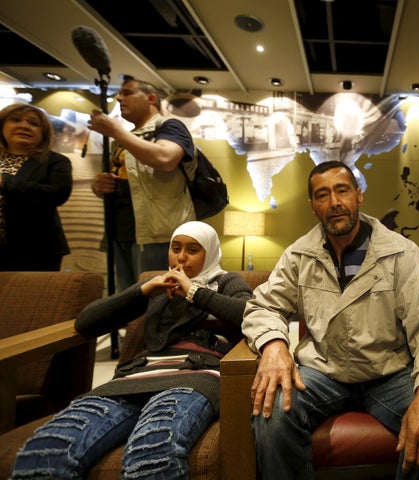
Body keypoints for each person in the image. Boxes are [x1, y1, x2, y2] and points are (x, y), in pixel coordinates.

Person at [242, 160, 419, 479]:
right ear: (313, 207)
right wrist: (275, 345)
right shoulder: (298, 256)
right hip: (324, 371)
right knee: (272, 412)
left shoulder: (401, 253)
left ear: (359, 196)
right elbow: (263, 306)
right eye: (322, 195)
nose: (334, 202)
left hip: (389, 372)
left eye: (342, 190)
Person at [10, 221, 252, 479]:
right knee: (45, 451)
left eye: (193, 250)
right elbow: (86, 322)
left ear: (210, 252)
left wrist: (194, 291)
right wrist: (142, 290)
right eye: (175, 248)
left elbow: (249, 313)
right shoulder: (158, 287)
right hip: (131, 380)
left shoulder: (225, 281)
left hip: (193, 378)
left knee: (152, 452)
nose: (181, 257)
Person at [88, 75, 195, 291]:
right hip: (121, 231)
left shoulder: (170, 126)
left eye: (127, 92)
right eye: (119, 94)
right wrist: (98, 185)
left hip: (158, 234)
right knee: (128, 300)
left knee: (157, 300)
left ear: (151, 98)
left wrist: (115, 131)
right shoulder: (127, 138)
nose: (120, 98)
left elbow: (166, 159)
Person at [0, 103, 72, 271]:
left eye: (33, 123)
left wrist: (6, 182)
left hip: (33, 249)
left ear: (43, 133)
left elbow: (58, 194)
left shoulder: (54, 161)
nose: (24, 126)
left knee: (30, 296)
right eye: (15, 120)